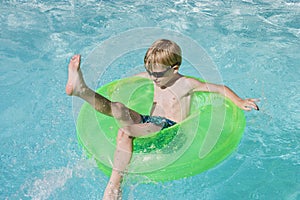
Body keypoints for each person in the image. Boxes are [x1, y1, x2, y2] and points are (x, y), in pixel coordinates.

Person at [66, 39, 259, 200]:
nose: (153, 78)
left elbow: (220, 89)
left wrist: (240, 101)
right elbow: (131, 81)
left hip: (171, 131)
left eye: (157, 74)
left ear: (174, 69)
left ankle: (115, 185)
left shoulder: (186, 84)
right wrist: (119, 88)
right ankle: (81, 90)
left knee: (125, 132)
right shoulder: (154, 77)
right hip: (151, 122)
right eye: (149, 72)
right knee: (118, 108)